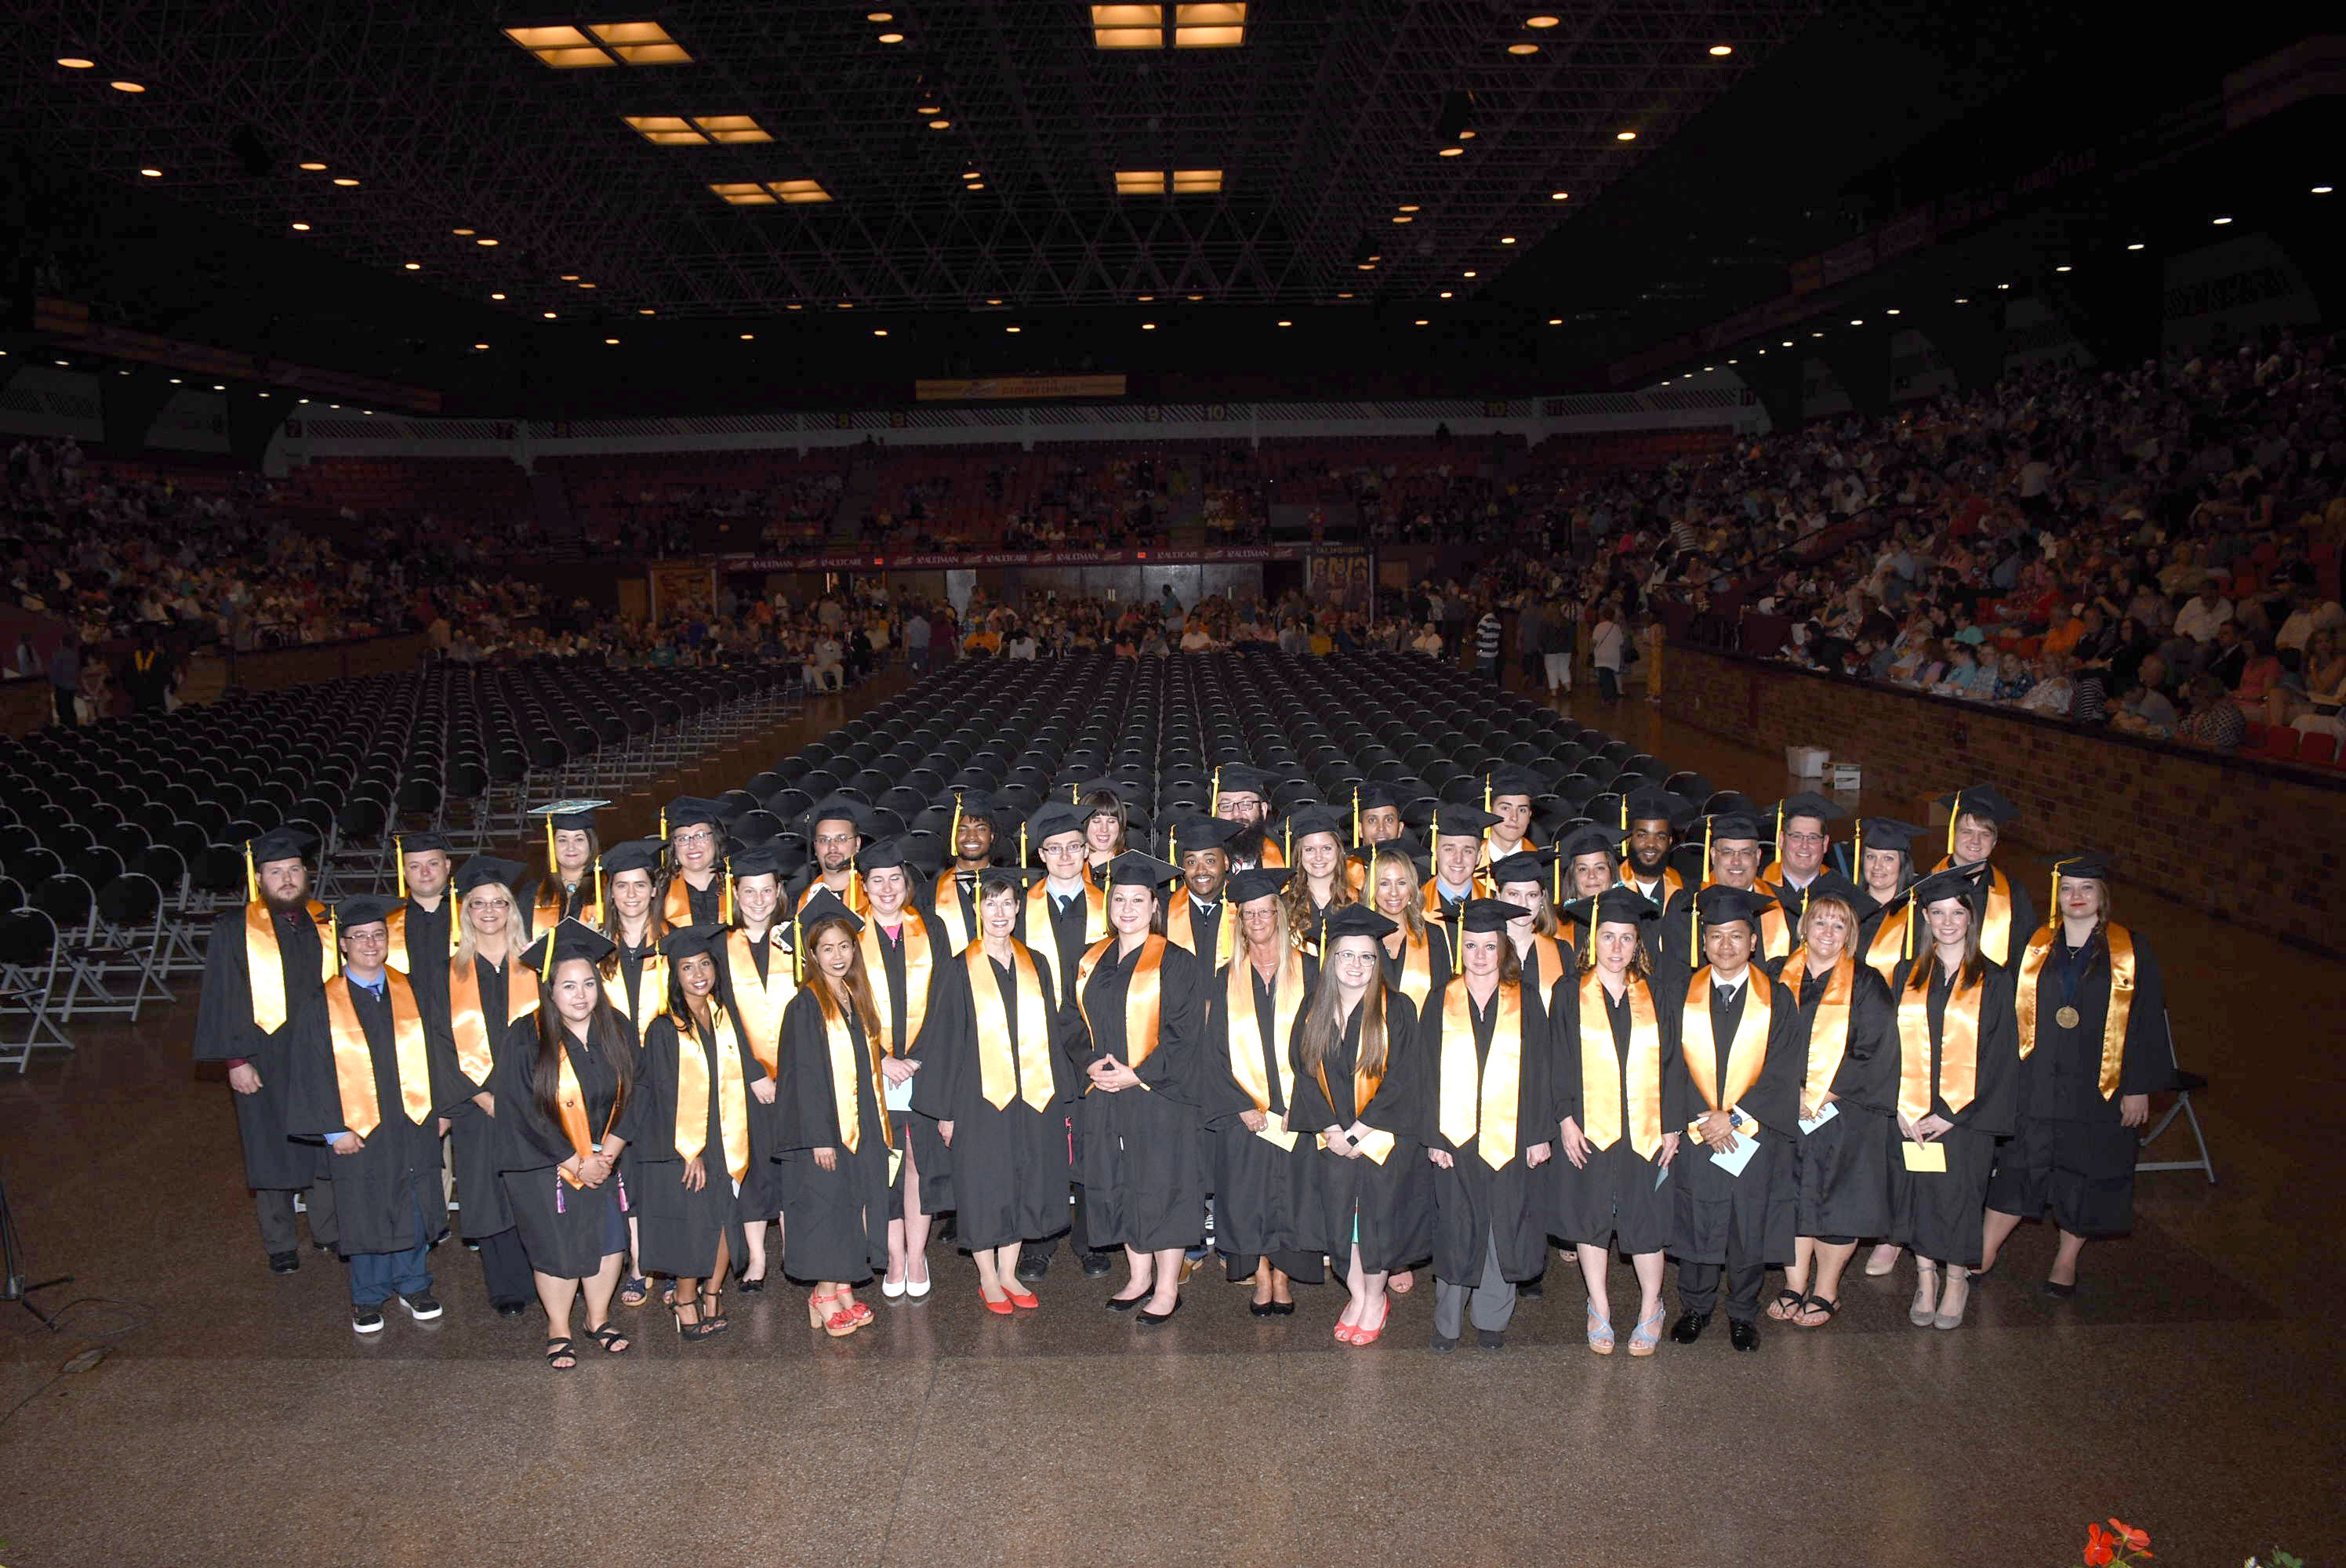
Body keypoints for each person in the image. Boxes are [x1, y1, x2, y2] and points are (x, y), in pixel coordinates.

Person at [1981, 852, 2170, 1297]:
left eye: (2086, 889)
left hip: (2098, 1086)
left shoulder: (2132, 949)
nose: (2076, 897)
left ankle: (2065, 1261)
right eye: (2068, 888)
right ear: (2057, 895)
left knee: (2086, 1171)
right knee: (2018, 1164)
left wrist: (2138, 1088)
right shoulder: (2034, 945)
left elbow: (2145, 1021)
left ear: (2103, 896)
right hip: (2037, 1079)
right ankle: (1985, 1250)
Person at [917, 869, 1079, 1312]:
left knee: (1024, 1183)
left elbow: (1049, 1032)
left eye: (1008, 903)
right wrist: (945, 1112)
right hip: (978, 1098)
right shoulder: (957, 967)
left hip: (1033, 1098)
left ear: (1018, 908)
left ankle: (1010, 1272)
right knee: (986, 1186)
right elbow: (945, 1040)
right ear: (978, 910)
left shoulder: (1036, 963)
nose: (1000, 912)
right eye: (991, 904)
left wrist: (1063, 1095)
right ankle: (988, 1276)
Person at [285, 895, 446, 1334]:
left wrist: (443, 1112)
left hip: (412, 1119)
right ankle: (368, 1295)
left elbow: (440, 1055)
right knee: (366, 1206)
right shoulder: (323, 1002)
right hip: (358, 1127)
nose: (370, 943)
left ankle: (415, 1284)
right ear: (343, 945)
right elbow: (310, 1070)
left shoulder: (412, 991)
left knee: (413, 1199)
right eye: (359, 936)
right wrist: (334, 1130)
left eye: (378, 934)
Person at [1661, 886, 1801, 1353]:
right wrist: (1699, 1121)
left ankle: (1743, 1313)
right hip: (1699, 1131)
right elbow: (1667, 1064)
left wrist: (1735, 1118)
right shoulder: (1681, 994)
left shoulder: (1777, 999)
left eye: (1736, 937)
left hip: (1751, 1136)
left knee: (1747, 1224)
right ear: (1703, 942)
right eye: (1716, 936)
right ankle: (1696, 1307)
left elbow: (1784, 1071)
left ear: (1754, 942)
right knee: (1697, 1219)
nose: (1726, 946)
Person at [192, 826, 339, 1273]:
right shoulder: (235, 927)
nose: (287, 879)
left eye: (294, 869)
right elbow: (223, 995)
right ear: (260, 880)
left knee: (322, 1141)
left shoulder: (325, 922)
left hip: (319, 1054)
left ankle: (328, 1231)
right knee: (268, 1146)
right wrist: (236, 1060)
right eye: (276, 872)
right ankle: (280, 1243)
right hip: (262, 1055)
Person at [1073, 851, 1209, 1325]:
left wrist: (1139, 1073)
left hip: (1160, 1095)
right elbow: (1070, 1022)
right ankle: (1137, 1276)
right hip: (1105, 1093)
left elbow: (1186, 1033)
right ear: (1109, 904)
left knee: (1163, 1184)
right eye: (1119, 899)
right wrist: (1090, 1063)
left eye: (1138, 899)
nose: (1127, 907)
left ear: (1154, 905)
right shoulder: (1091, 959)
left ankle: (1168, 1287)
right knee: (1122, 1182)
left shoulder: (1176, 963)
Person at [1883, 865, 2020, 1330]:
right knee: (1918, 1194)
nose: (1946, 922)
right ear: (1924, 917)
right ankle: (1925, 1278)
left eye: (1956, 913)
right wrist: (1901, 1106)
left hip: (1966, 1120)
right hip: (1911, 1113)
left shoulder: (1996, 981)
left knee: (1959, 1198)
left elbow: (2001, 1059)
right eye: (1937, 912)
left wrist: (1954, 1116)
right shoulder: (1907, 974)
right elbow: (1891, 1049)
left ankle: (1957, 1279)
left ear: (1971, 917)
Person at [494, 921, 635, 1368]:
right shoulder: (525, 1034)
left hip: (607, 1157)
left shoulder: (617, 1027)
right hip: (546, 1160)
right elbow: (521, 1107)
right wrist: (575, 1161)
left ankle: (598, 1318)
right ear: (549, 990)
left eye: (589, 984)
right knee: (555, 1244)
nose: (580, 995)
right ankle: (558, 1326)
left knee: (611, 1239)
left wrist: (607, 1154)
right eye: (568, 986)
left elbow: (642, 1092)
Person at [1290, 904, 1429, 1346]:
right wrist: (1331, 1129)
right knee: (1340, 1224)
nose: (1356, 965)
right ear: (1331, 961)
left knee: (1376, 1225)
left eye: (1366, 957)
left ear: (1378, 961)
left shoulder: (1398, 1009)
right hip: (1333, 1139)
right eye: (1346, 956)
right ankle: (1356, 1294)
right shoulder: (1313, 1009)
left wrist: (1361, 1130)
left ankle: (1374, 1299)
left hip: (1382, 1142)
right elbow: (1302, 1070)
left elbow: (1408, 1076)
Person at [1422, 898, 1556, 1352]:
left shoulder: (1527, 998)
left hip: (1511, 1134)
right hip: (1456, 1137)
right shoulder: (1442, 998)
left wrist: (1539, 1135)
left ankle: (1492, 1319)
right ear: (1462, 948)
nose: (1480, 955)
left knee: (1503, 1225)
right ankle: (1447, 1322)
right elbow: (1425, 1073)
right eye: (1472, 945)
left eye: (1489, 946)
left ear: (1503, 949)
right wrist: (1434, 1138)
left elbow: (1542, 1071)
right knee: (1456, 1224)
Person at [1552, 887, 1680, 1356]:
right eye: (1608, 936)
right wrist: (1564, 1118)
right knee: (1589, 1217)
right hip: (1588, 1123)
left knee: (1646, 1218)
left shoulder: (1657, 993)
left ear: (1637, 945)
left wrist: (1673, 1124)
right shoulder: (1569, 992)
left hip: (1645, 1126)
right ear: (1593, 941)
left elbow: (1672, 1064)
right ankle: (1599, 1305)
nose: (1617, 947)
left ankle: (1651, 1306)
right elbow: (1558, 1060)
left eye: (1626, 938)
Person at [1767, 876, 1895, 1331]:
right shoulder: (1775, 972)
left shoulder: (1868, 983)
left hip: (1844, 1112)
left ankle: (1827, 1289)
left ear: (1850, 935)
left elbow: (1876, 1051)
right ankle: (1794, 1283)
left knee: (1839, 1201)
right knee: (1791, 1195)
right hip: (1785, 1108)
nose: (1826, 932)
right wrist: (1788, 1095)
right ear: (1804, 926)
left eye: (1838, 926)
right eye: (1819, 921)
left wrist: (1822, 1093)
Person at [627, 925, 766, 1339]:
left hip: (728, 1136)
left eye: (705, 964)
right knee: (694, 1226)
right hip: (688, 1144)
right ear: (675, 975)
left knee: (728, 1220)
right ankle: (685, 1298)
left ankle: (712, 1290)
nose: (699, 973)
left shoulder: (724, 1017)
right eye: (687, 967)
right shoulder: (664, 1029)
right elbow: (666, 1096)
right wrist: (691, 1151)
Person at [1204, 866, 1321, 1313]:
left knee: (1294, 1195)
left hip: (1298, 1110)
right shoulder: (1222, 978)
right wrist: (1241, 1106)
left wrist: (1304, 1104)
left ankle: (1284, 1274)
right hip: (1245, 1113)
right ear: (1240, 921)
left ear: (1279, 914)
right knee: (1247, 1195)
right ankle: (1259, 1273)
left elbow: (1324, 1047)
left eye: (1264, 911)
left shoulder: (1311, 971)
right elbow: (1211, 1050)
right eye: (1248, 914)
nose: (1257, 920)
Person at [428, 855, 539, 1319]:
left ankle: (547, 1275)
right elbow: (438, 1043)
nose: (489, 911)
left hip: (537, 1099)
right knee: (489, 1191)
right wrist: (482, 1096)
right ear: (466, 912)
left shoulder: (537, 963)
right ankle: (507, 1286)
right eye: (478, 903)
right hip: (479, 1107)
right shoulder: (446, 972)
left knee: (536, 1190)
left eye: (499, 902)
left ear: (512, 909)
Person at [779, 889, 893, 1337]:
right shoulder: (806, 1004)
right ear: (812, 953)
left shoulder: (853, 996)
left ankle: (842, 1286)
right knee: (827, 1207)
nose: (838, 955)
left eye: (845, 946)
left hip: (860, 1121)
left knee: (851, 1204)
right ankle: (823, 1293)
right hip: (826, 1129)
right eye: (827, 948)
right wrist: (820, 1136)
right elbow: (802, 1078)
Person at [855, 837, 953, 1301]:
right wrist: (880, 1058)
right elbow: (840, 1008)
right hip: (871, 1073)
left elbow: (945, 1004)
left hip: (923, 1070)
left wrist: (920, 1059)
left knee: (919, 1162)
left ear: (906, 882)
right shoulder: (849, 936)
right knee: (882, 1166)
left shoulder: (931, 928)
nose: (887, 887)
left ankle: (918, 1255)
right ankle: (893, 1255)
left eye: (895, 878)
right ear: (864, 886)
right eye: (877, 880)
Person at [717, 843, 797, 1294]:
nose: (759, 900)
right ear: (737, 894)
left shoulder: (796, 941)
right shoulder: (721, 947)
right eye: (749, 892)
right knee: (749, 1166)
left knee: (789, 1164)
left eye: (766, 890)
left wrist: (791, 1075)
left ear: (778, 891)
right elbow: (721, 1015)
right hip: (743, 1081)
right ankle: (757, 1258)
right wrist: (754, 1072)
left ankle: (793, 1251)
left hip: (794, 1080)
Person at [1661, 811, 1792, 968]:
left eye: (1745, 852)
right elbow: (1675, 970)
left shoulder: (1783, 904)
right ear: (1713, 855)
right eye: (1728, 852)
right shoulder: (1686, 905)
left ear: (1758, 857)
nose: (1736, 862)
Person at [1930, 786, 2037, 966]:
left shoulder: (2013, 894)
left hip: (1994, 989)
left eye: (1984, 834)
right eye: (1967, 831)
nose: (1975, 841)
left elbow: (2023, 954)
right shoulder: (1925, 887)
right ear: (1953, 834)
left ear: (1994, 842)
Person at [1163, 812, 1242, 974]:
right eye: (1192, 862)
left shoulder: (1245, 909)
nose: (1200, 870)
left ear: (1226, 862)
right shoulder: (1164, 912)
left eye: (1210, 861)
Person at [1850, 816, 1926, 982]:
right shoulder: (1847, 909)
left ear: (1902, 864)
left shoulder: (1915, 915)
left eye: (1888, 858)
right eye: (1871, 857)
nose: (1877, 866)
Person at [1370, 845, 1444, 1014]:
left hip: (1422, 1037)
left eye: (1401, 883)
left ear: (1412, 888)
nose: (1394, 892)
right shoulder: (1359, 939)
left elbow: (1443, 1002)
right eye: (1384, 883)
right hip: (1370, 1038)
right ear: (1373, 888)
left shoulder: (1433, 936)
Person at [927, 789, 1000, 953]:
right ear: (952, 835)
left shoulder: (1014, 888)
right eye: (962, 830)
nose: (971, 836)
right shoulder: (929, 894)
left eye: (981, 829)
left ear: (992, 836)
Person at [1761, 792, 1847, 929]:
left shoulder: (1842, 893)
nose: (1804, 845)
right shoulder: (1758, 889)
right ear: (1781, 840)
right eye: (1797, 836)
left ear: (1825, 844)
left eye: (1813, 838)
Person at [1277, 804, 1355, 953]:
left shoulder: (1358, 901)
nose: (1318, 857)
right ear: (1299, 855)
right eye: (1309, 849)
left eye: (1326, 848)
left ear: (1339, 852)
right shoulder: (1283, 906)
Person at [524, 807, 602, 935]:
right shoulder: (532, 893)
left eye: (579, 839)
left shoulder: (608, 891)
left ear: (591, 843)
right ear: (552, 845)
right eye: (562, 840)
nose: (571, 847)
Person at [659, 797, 729, 927]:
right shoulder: (659, 892)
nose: (692, 845)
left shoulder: (736, 888)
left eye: (701, 835)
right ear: (673, 846)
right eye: (683, 838)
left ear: (715, 839)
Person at [795, 797, 871, 915]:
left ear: (857, 844)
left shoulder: (874, 899)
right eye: (824, 839)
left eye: (841, 839)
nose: (832, 847)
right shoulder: (797, 903)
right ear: (815, 847)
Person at [1618, 788, 1690, 908]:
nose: (1651, 844)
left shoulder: (1687, 892)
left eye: (1660, 837)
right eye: (1642, 835)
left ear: (1670, 841)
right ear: (1629, 839)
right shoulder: (1609, 886)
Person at [1211, 764, 1285, 869]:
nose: (1236, 813)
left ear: (1263, 810)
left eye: (1246, 804)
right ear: (1216, 813)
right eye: (1226, 806)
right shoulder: (1199, 863)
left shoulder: (1286, 858)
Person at [1077, 786, 1129, 878]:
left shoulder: (1133, 867)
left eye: (1111, 821)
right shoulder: (1069, 867)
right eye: (1096, 821)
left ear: (1120, 826)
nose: (1104, 829)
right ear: (1084, 824)